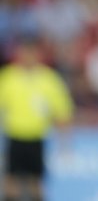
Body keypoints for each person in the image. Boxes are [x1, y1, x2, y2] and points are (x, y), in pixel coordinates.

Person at [0, 37, 73, 201]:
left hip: (37, 138)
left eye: (32, 52)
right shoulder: (8, 78)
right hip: (14, 137)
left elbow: (62, 112)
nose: (28, 56)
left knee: (36, 184)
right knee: (10, 183)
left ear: (38, 54)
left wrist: (65, 145)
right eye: (25, 52)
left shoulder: (49, 79)